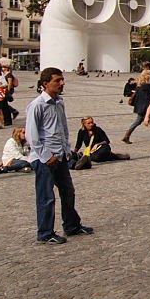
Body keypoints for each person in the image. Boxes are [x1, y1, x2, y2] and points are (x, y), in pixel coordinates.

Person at [26, 67, 93, 244]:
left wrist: (67, 149)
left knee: (68, 191)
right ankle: (45, 233)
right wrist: (46, 156)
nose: (62, 83)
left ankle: (71, 225)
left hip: (61, 155)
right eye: (57, 80)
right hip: (44, 159)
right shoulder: (37, 105)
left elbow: (62, 128)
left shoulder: (59, 102)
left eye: (62, 80)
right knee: (46, 196)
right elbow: (32, 136)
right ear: (45, 83)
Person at [123, 71, 150, 144]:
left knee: (138, 121)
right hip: (145, 108)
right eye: (149, 75)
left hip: (140, 107)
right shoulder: (147, 86)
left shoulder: (139, 86)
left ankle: (127, 135)